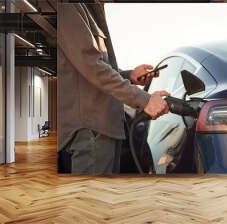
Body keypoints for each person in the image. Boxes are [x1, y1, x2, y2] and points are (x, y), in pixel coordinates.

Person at [57, 3, 169, 174]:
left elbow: (95, 67)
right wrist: (144, 99)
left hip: (103, 126)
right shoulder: (70, 7)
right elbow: (91, 65)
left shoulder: (91, 9)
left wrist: (129, 75)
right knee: (93, 199)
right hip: (93, 128)